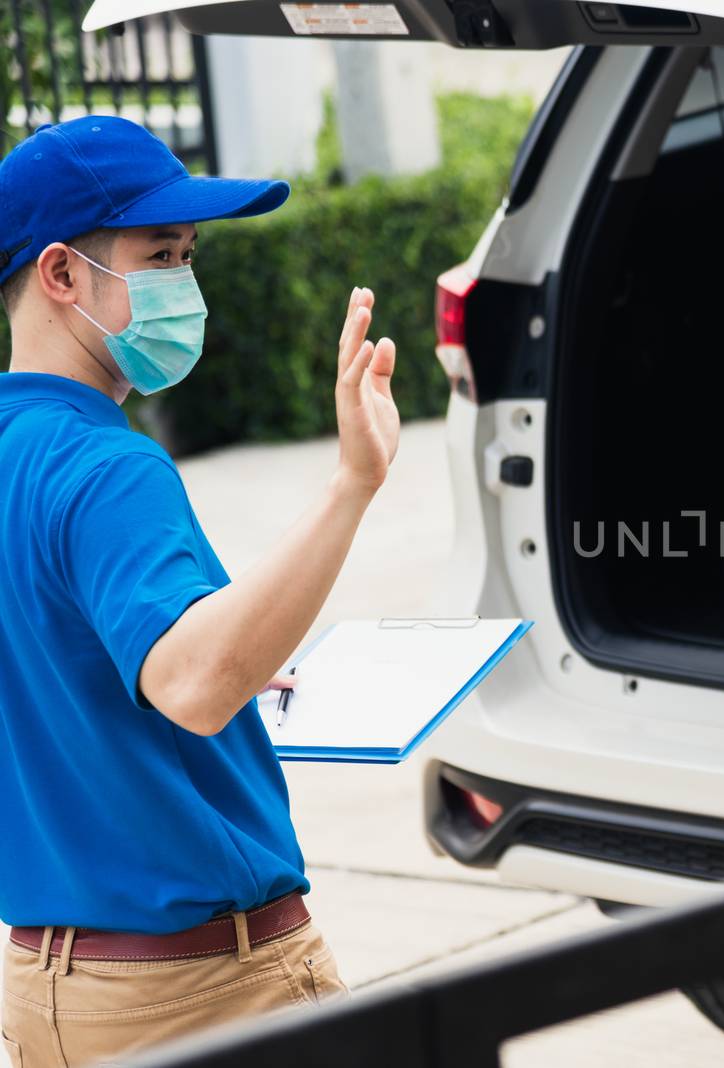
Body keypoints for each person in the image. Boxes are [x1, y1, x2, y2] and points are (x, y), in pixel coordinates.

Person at [0, 116, 399, 1065]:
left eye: (189, 255)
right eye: (161, 253)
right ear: (61, 275)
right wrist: (353, 484)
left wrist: (205, 658)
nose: (186, 284)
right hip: (201, 989)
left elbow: (55, 661)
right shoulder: (108, 468)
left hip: (45, 991)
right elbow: (192, 684)